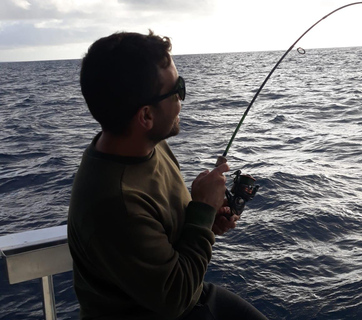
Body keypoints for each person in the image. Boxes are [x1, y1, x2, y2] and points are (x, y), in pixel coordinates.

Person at [67, 30, 268, 320]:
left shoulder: (145, 143)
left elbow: (163, 235)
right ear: (146, 116)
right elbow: (175, 297)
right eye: (178, 90)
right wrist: (201, 213)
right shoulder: (115, 202)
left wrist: (207, 222)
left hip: (189, 296)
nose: (183, 100)